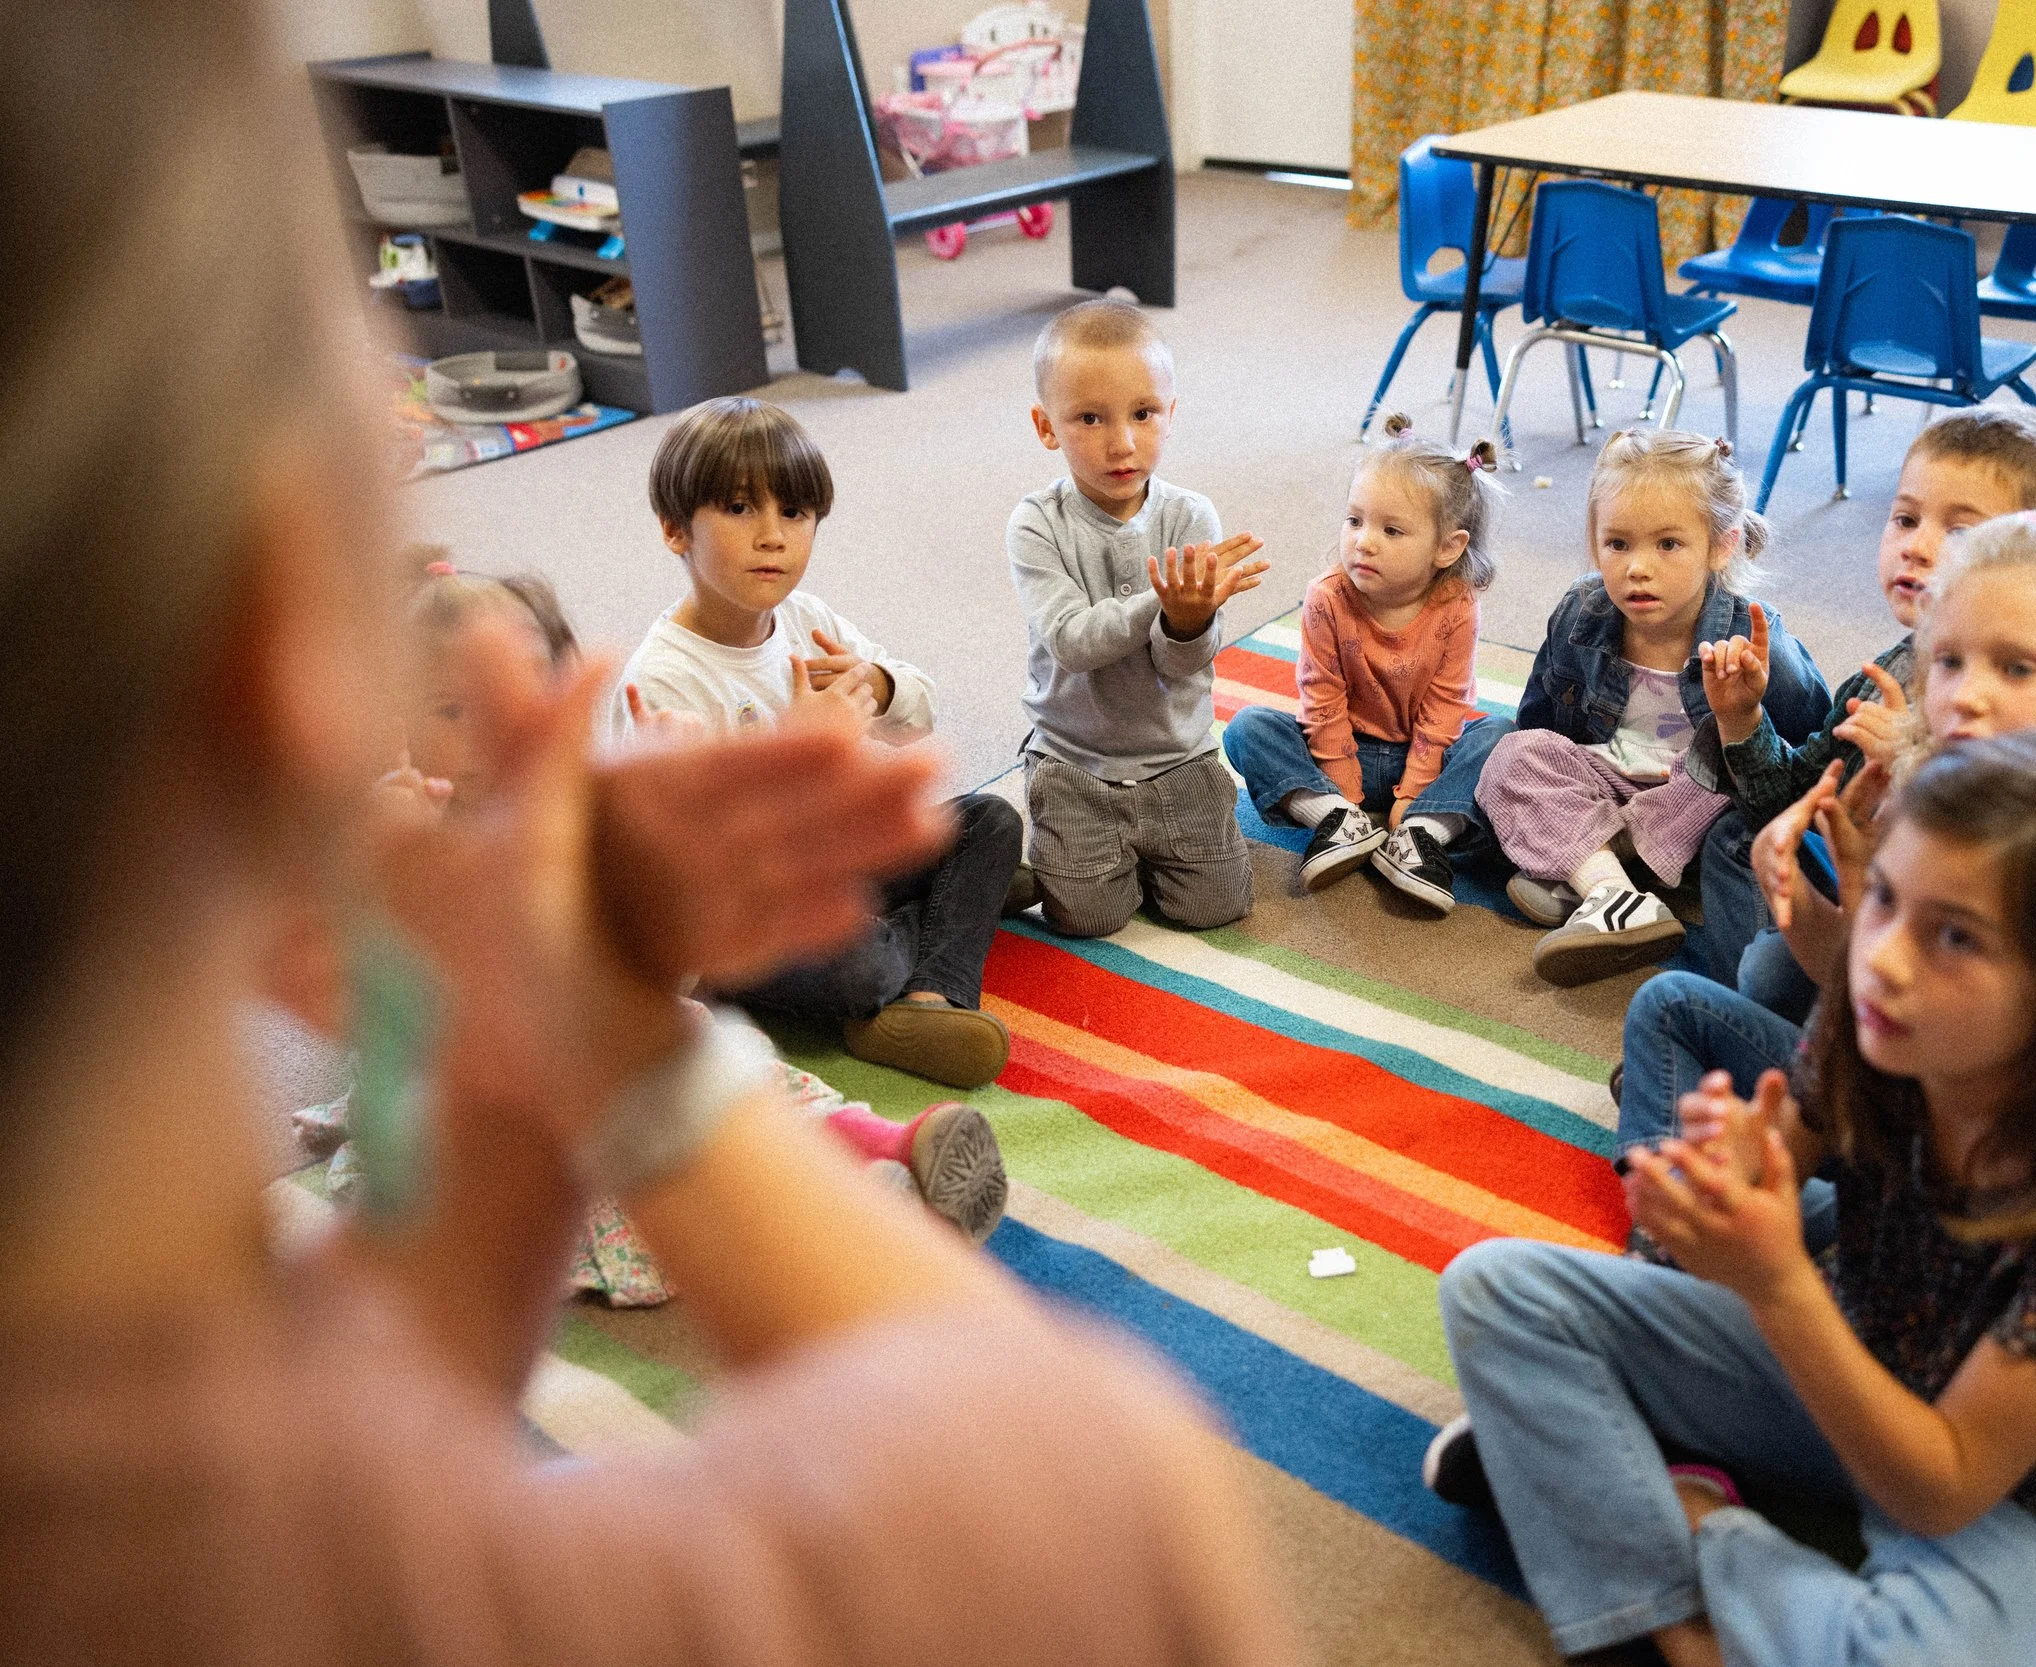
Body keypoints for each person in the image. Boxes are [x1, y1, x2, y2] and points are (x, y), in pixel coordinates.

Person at [0, 8, 1296, 1665]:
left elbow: (384, 1405)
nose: (773, 540)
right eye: (384, 444)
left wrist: (874, 695)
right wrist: (624, 1028)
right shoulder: (502, 1591)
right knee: (807, 977)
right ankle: (887, 1032)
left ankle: (908, 988)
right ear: (290, 659)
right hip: (752, 951)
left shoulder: (242, 1485)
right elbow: (1112, 1494)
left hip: (791, 899)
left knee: (963, 828)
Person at [1433, 730, 2036, 1667]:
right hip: (1846, 1344)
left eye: (1957, 936)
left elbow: (1945, 1487)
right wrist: (1726, 1186)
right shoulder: (1879, 1018)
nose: (1885, 959)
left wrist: (1776, 1283)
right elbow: (1774, 1164)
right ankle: (1676, 1615)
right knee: (1493, 1289)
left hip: (2002, 1493)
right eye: (1887, 899)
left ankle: (1680, 1521)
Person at [290, 564, 1010, 1261]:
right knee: (630, 1169)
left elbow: (664, 960)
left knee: (737, 1088)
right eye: (451, 710)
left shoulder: (577, 811)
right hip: (478, 1080)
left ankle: (893, 1142)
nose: (488, 734)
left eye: (520, 705)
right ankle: (832, 1205)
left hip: (611, 1035)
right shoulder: (405, 826)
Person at [1615, 515, 2036, 1234]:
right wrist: (1814, 886)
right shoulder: (1935, 797)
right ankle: (1676, 1233)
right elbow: (1861, 989)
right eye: (1948, 662)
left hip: (1968, 1202)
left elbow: (2001, 1087)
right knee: (1676, 997)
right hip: (1875, 1117)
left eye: (2015, 667)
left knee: (1768, 992)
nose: (1964, 695)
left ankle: (1690, 1243)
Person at [609, 396, 1024, 1096]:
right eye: (740, 510)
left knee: (992, 821)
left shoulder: (803, 619)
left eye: (794, 514)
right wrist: (799, 751)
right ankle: (925, 949)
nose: (773, 536)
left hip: (834, 871)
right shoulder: (662, 681)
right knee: (860, 959)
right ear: (675, 530)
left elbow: (917, 720)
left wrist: (882, 684)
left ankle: (925, 1001)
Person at [1699, 405, 2036, 1025]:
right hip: (1862, 891)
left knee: (1768, 971)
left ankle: (1763, 1027)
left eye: (1962, 532)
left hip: (1964, 939)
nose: (1917, 546)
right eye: (1905, 518)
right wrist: (1741, 719)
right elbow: (1790, 802)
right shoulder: (1885, 676)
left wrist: (1917, 768)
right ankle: (1740, 1014)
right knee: (1732, 839)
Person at [1476, 430, 1827, 986]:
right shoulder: (1580, 611)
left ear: (1721, 545)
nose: (1638, 567)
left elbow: (1806, 755)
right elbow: (1540, 722)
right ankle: (1620, 895)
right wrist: (1539, 780)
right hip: (1606, 780)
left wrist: (1744, 716)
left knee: (1723, 772)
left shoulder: (1756, 639)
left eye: (1667, 545)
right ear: (1595, 544)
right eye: (1618, 544)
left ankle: (1587, 867)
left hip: (1694, 798)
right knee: (1509, 754)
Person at [1011, 299, 1269, 938]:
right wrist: (1165, 601)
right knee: (1088, 920)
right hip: (1076, 761)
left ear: (1171, 415)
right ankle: (1058, 859)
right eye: (1090, 418)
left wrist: (1188, 623)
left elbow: (1182, 665)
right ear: (1047, 427)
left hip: (1178, 756)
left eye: (1143, 413)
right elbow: (1072, 641)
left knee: (1215, 909)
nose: (1122, 442)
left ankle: (1094, 860)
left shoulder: (1190, 518)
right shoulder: (1036, 523)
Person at [1221, 414, 1510, 915]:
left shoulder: (1456, 604)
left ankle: (1422, 835)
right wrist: (1344, 793)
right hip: (1336, 753)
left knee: (1504, 736)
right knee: (1246, 728)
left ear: (1448, 548)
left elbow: (1447, 706)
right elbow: (1321, 696)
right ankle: (1335, 821)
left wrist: (1415, 793)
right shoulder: (1327, 597)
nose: (1364, 541)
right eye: (1355, 521)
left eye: (1391, 530)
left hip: (1428, 759)